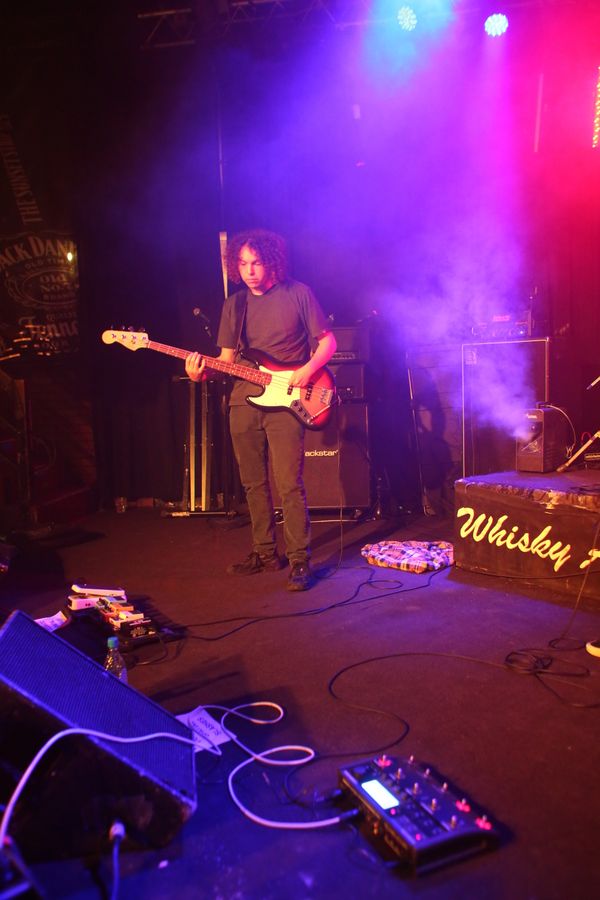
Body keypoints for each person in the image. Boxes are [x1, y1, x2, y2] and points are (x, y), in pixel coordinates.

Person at [185, 229, 337, 591]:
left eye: (256, 263)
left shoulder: (298, 293)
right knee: (253, 484)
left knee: (288, 484)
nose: (250, 270)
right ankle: (265, 553)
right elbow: (225, 360)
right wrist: (199, 373)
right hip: (244, 401)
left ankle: (299, 559)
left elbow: (328, 343)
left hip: (287, 401)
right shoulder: (234, 305)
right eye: (243, 264)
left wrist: (306, 371)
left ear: (271, 262)